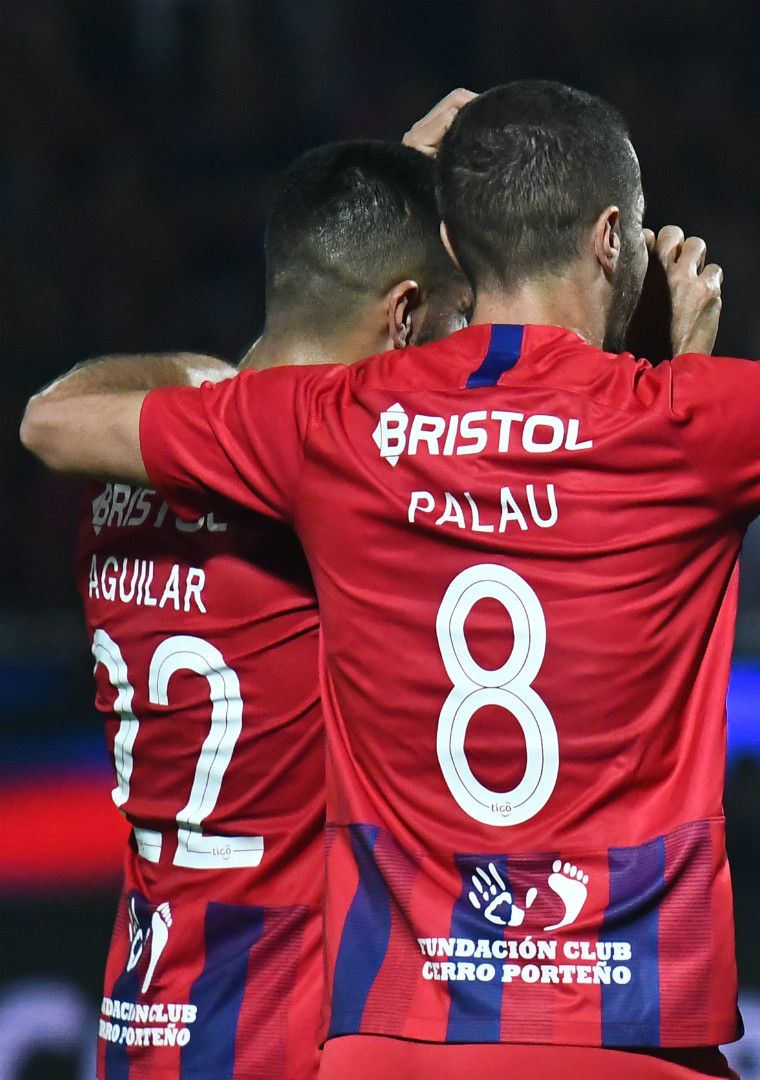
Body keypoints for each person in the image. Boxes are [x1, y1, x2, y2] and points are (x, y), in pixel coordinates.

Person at [21, 79, 760, 1079]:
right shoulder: (690, 421)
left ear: (447, 250)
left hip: (392, 1037)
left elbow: (65, 427)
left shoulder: (335, 422)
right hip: (620, 1031)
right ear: (612, 239)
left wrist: (364, 207)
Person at [43, 137, 470, 1080]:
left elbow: (55, 409)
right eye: (452, 321)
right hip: (274, 1013)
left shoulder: (122, 479)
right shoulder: (330, 495)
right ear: (403, 317)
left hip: (143, 1004)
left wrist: (382, 184)